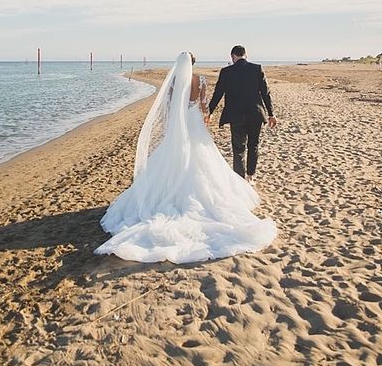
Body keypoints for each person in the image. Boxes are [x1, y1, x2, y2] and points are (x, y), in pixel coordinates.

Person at [95, 52, 276, 263]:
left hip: (180, 123)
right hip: (195, 122)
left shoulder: (172, 82)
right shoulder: (200, 80)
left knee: (174, 156)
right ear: (193, 64)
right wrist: (206, 116)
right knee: (205, 156)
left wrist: (175, 124)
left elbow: (170, 106)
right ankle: (245, 178)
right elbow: (204, 104)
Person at [208, 45, 276, 185]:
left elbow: (218, 93)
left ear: (232, 56)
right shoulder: (257, 69)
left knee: (238, 148)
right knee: (253, 145)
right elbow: (265, 93)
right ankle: (250, 176)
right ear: (246, 55)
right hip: (255, 114)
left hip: (236, 116)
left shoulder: (226, 72)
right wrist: (271, 114)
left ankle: (239, 180)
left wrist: (209, 111)